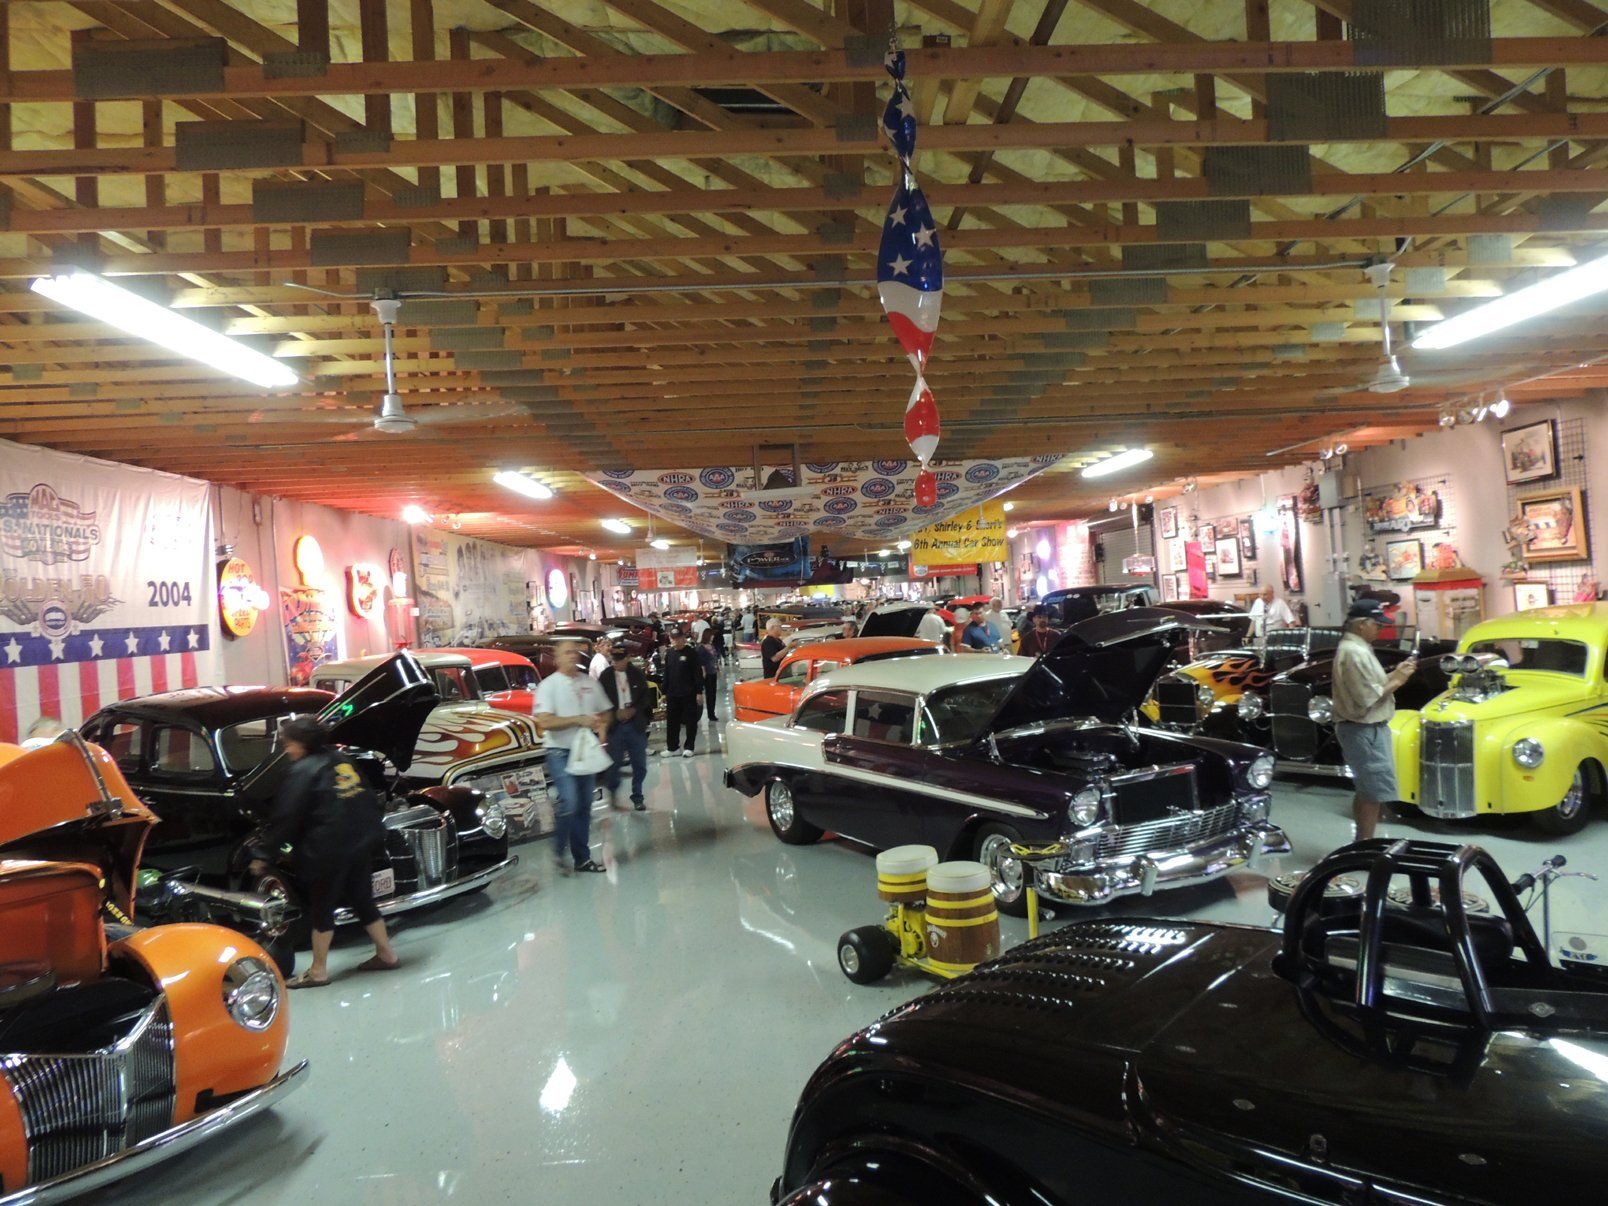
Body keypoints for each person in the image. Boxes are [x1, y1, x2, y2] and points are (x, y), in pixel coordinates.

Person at [248, 717, 398, 988]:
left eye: (288, 743)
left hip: (328, 850)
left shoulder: (302, 771)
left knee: (321, 909)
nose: (286, 749)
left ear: (302, 743)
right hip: (360, 843)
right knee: (363, 901)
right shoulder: (341, 759)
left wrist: (264, 854)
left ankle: (317, 971)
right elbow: (365, 797)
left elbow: (285, 818)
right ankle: (386, 955)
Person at [1331, 598, 1418, 842]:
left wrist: (1395, 674)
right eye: (1377, 625)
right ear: (1362, 625)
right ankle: (1364, 846)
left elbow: (1372, 686)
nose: (1380, 630)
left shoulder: (1358, 648)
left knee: (1367, 789)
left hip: (1366, 729)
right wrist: (1398, 679)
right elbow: (1367, 697)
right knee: (1373, 793)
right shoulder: (1354, 652)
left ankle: (1362, 843)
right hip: (1364, 729)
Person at [533, 640, 612, 874]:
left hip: (584, 752)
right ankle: (558, 849)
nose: (572, 657)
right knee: (570, 800)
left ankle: (582, 858)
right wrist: (579, 719)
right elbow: (545, 721)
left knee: (585, 805)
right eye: (566, 653)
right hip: (559, 751)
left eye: (574, 653)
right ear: (556, 658)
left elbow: (606, 711)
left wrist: (602, 732)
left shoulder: (588, 683)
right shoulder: (548, 686)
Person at [600, 645, 652, 811]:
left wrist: (634, 710)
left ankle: (637, 796)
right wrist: (614, 714)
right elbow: (600, 700)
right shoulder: (606, 676)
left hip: (635, 726)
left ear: (627, 658)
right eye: (614, 660)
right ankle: (613, 791)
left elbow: (645, 697)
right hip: (616, 728)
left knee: (640, 764)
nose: (616, 663)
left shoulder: (636, 674)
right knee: (613, 764)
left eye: (620, 660)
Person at [659, 627, 705, 757]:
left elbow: (697, 673)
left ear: (683, 638)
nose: (675, 640)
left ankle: (689, 747)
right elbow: (667, 674)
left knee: (690, 721)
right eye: (673, 638)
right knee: (672, 721)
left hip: (688, 693)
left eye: (678, 638)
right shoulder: (669, 654)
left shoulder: (691, 653)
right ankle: (672, 748)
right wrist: (664, 692)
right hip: (673, 694)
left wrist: (699, 691)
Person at [697, 628, 721, 722]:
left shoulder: (711, 646)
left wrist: (718, 669)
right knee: (709, 694)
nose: (713, 636)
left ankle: (712, 713)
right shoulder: (701, 648)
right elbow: (700, 662)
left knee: (713, 694)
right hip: (706, 674)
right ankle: (710, 714)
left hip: (713, 672)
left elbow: (715, 658)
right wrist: (703, 673)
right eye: (711, 635)